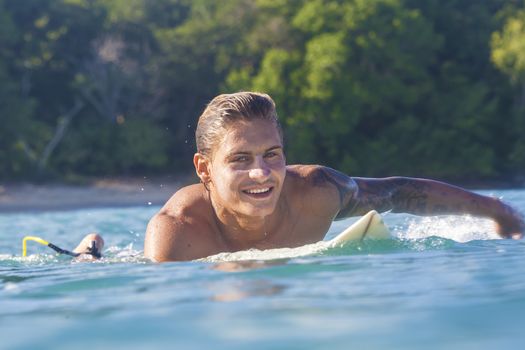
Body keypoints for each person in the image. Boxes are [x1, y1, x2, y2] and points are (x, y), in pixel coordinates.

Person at [141, 91, 524, 262]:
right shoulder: (178, 236)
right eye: (240, 159)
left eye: (272, 154)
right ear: (204, 169)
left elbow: (398, 193)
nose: (262, 173)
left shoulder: (316, 193)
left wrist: (498, 211)